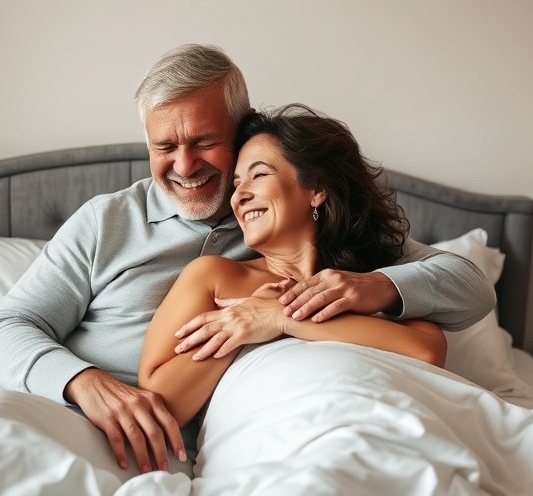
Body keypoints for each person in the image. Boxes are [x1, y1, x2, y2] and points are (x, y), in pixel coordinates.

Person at [0, 44, 495, 493]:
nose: (184, 165)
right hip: (98, 421)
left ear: (244, 133)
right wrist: (86, 385)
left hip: (246, 436)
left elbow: (463, 290)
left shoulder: (289, 222)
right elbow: (2, 331)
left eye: (206, 142)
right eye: (165, 147)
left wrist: (367, 286)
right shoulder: (106, 222)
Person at [138, 103, 448, 425]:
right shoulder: (215, 276)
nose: (239, 196)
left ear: (316, 189)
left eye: (258, 175)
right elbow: (162, 401)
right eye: (236, 184)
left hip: (385, 422)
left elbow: (427, 352)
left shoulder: (371, 280)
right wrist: (239, 327)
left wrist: (280, 318)